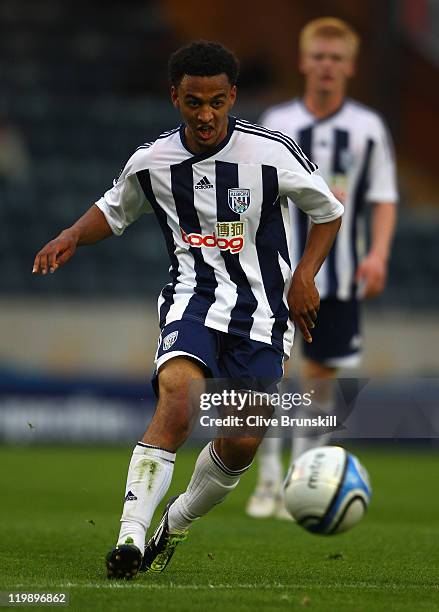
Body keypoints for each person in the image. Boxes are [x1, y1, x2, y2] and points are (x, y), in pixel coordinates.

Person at [32, 41, 343, 579]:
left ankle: (171, 525)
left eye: (217, 102)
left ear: (232, 97)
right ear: (175, 97)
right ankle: (129, 539)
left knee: (242, 439)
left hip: (262, 312)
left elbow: (328, 212)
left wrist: (305, 275)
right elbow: (113, 211)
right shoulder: (152, 161)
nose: (206, 115)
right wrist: (70, 236)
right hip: (192, 299)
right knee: (179, 400)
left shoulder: (272, 152)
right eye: (194, 102)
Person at [246, 18, 398, 519]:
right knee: (270, 374)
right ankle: (267, 479)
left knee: (319, 379)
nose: (327, 66)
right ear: (303, 61)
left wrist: (377, 254)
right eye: (319, 56)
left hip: (340, 273)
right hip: (276, 272)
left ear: (350, 66)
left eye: (336, 58)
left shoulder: (367, 128)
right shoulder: (277, 122)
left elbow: (383, 198)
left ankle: (304, 480)